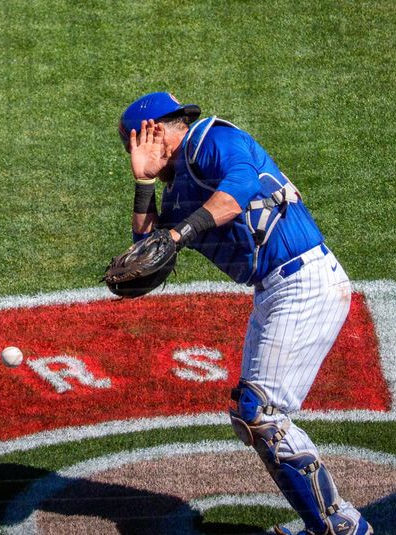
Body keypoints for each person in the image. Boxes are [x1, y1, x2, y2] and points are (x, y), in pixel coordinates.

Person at [118, 92, 373, 535]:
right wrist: (142, 184)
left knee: (260, 412)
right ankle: (330, 523)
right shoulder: (177, 191)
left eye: (133, 145)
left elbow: (240, 190)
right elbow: (146, 261)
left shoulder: (210, 140)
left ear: (153, 131)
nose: (133, 154)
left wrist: (180, 234)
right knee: (248, 414)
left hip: (304, 280)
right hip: (274, 290)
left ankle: (339, 527)